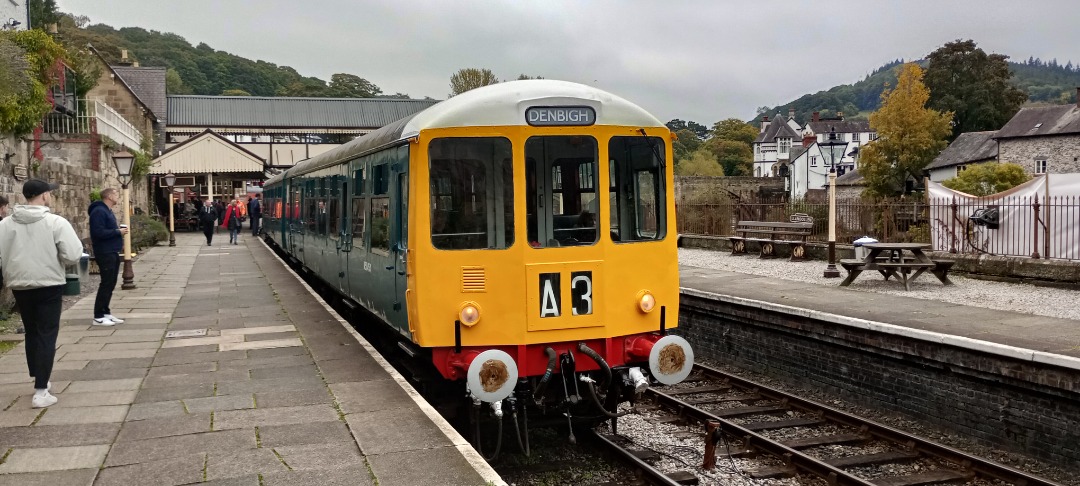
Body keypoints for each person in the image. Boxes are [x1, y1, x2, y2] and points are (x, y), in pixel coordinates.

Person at [0, 179, 83, 408]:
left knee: (32, 331)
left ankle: (39, 377)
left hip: (19, 284)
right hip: (48, 283)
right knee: (47, 332)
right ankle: (41, 389)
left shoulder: (5, 224)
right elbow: (74, 254)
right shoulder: (56, 222)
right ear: (44, 196)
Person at [88, 188, 129, 326]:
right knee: (106, 283)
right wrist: (117, 232)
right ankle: (98, 316)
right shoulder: (99, 211)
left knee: (111, 282)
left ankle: (105, 312)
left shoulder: (107, 211)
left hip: (112, 250)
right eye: (116, 194)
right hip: (104, 251)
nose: (118, 197)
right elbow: (98, 232)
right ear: (110, 196)